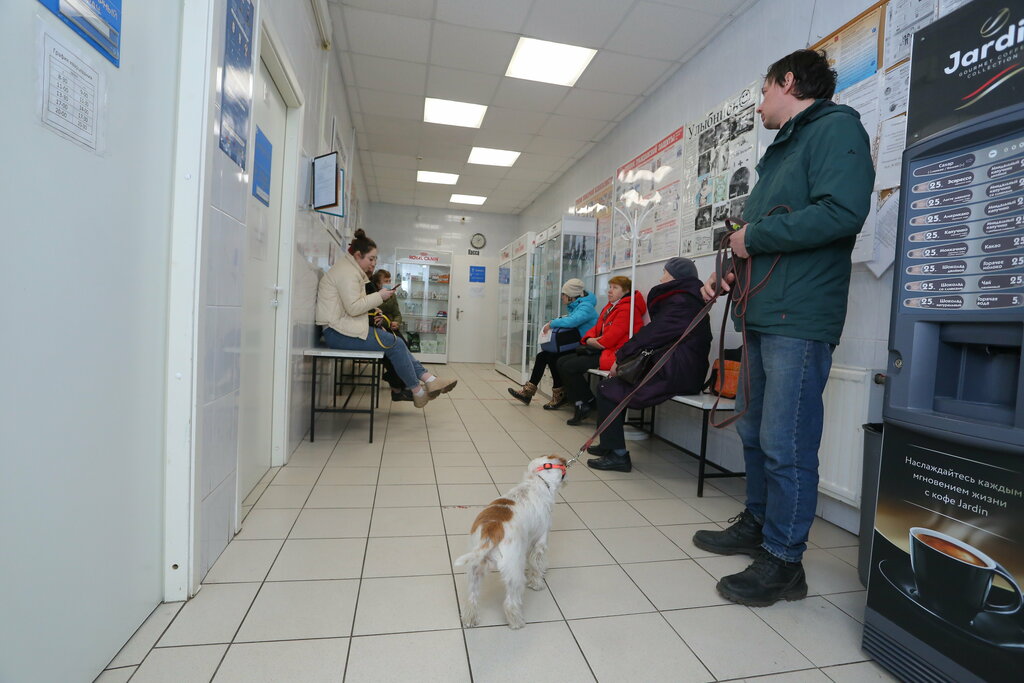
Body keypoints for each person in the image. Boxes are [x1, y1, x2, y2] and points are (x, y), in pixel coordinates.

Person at [692, 49, 875, 606]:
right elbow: (757, 231)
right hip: (764, 311)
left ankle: (784, 561)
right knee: (754, 432)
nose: (761, 103)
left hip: (801, 317)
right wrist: (727, 269)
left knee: (785, 440)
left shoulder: (836, 129)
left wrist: (756, 238)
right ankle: (758, 524)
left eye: (765, 90)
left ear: (789, 82)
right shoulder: (783, 149)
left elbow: (843, 212)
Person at [587, 258, 711, 472]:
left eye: (664, 272)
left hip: (677, 373)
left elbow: (653, 334)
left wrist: (622, 356)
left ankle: (617, 455)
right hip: (679, 369)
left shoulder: (682, 302)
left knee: (608, 389)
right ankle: (609, 445)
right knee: (609, 386)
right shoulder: (687, 300)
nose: (661, 277)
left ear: (674, 277)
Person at [316, 229, 457, 409]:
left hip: (342, 328)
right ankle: (419, 390)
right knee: (396, 344)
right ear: (358, 255)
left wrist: (375, 311)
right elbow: (352, 308)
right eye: (371, 259)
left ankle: (428, 382)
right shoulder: (347, 273)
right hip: (337, 333)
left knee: (396, 342)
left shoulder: (350, 270)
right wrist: (380, 297)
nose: (374, 263)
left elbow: (352, 305)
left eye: (375, 259)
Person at [557, 276, 646, 426]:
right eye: (610, 287)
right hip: (603, 349)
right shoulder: (610, 307)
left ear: (625, 291)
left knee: (569, 366)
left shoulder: (628, 309)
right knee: (561, 362)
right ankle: (585, 401)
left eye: (615, 288)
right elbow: (596, 329)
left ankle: (585, 403)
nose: (609, 291)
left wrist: (594, 341)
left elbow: (610, 339)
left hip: (616, 355)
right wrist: (589, 339)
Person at [508, 278, 598, 408]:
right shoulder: (578, 306)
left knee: (552, 356)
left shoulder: (586, 307)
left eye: (564, 294)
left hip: (585, 347)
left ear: (572, 296)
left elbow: (573, 321)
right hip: (576, 344)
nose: (562, 297)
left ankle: (557, 394)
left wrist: (552, 323)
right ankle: (530, 392)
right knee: (543, 355)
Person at [366, 269, 412, 402]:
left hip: (392, 328)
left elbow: (397, 313)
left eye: (389, 280)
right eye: (385, 281)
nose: (388, 283)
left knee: (405, 348)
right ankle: (398, 387)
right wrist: (386, 322)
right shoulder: (372, 295)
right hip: (380, 329)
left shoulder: (392, 295)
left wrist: (396, 322)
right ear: (378, 283)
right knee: (390, 355)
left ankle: (401, 387)